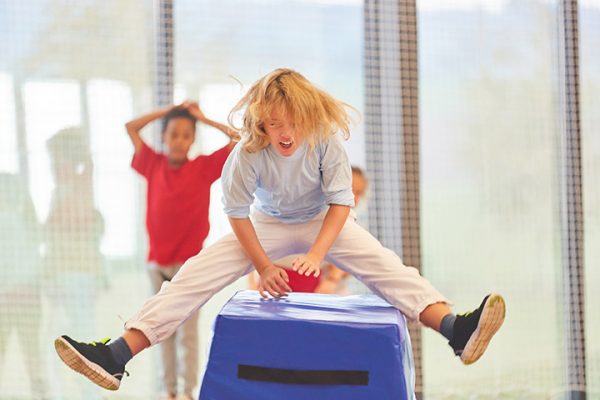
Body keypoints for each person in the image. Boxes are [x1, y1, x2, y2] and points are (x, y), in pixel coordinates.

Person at [54, 68, 506, 393]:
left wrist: (318, 253)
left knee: (386, 267)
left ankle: (454, 329)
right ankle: (116, 355)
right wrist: (264, 266)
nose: (283, 133)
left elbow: (341, 203)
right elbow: (236, 213)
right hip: (266, 224)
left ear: (307, 116)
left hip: (324, 219)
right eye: (273, 124)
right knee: (192, 276)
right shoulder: (248, 153)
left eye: (291, 123)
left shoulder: (325, 140)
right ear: (260, 123)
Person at [124, 102, 238, 400]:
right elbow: (131, 127)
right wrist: (168, 111)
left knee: (187, 334)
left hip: (190, 267)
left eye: (186, 135)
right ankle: (169, 391)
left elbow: (237, 138)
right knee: (159, 331)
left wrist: (203, 118)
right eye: (173, 134)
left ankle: (187, 393)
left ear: (193, 139)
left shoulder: (202, 167)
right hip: (158, 264)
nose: (179, 141)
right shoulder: (153, 163)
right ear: (164, 136)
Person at [247, 165, 367, 294]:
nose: (354, 197)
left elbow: (351, 260)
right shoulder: (311, 212)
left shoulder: (352, 226)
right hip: (277, 276)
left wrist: (333, 279)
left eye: (359, 193)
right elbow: (258, 244)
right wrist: (252, 282)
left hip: (316, 284)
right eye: (351, 189)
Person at [0, 173, 47, 399]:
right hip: (29, 298)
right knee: (32, 353)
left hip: (6, 299)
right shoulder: (27, 222)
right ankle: (40, 394)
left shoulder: (6, 221)